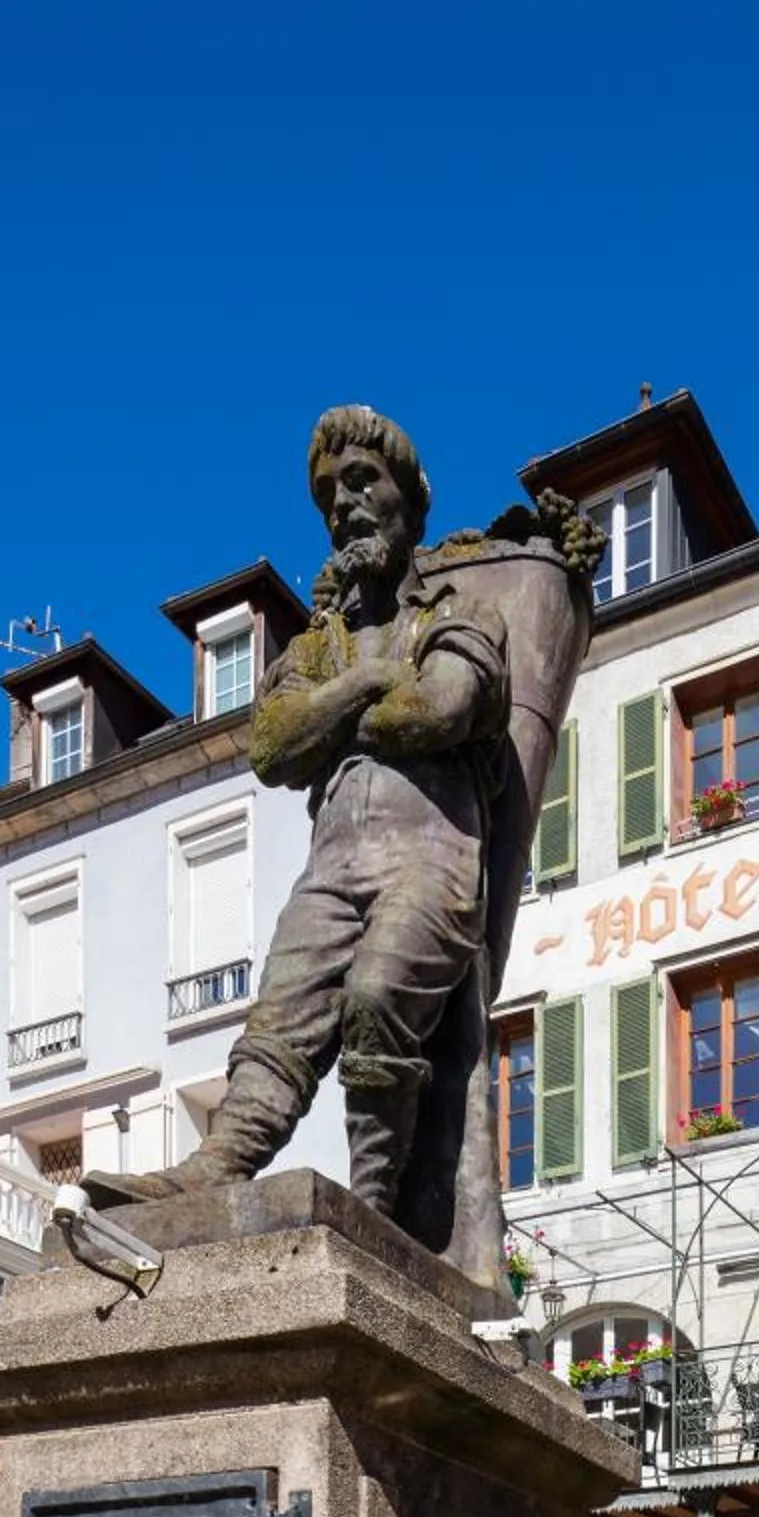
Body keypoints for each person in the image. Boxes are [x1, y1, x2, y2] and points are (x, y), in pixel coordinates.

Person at [94, 407, 509, 1217]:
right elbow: (274, 749)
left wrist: (339, 717)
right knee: (280, 1017)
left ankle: (376, 1204)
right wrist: (364, 683)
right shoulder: (320, 647)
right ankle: (217, 1165)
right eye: (329, 494)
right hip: (333, 866)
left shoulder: (456, 611)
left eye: (363, 482)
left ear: (410, 497)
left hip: (431, 856)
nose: (345, 504)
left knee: (379, 997)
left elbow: (441, 709)